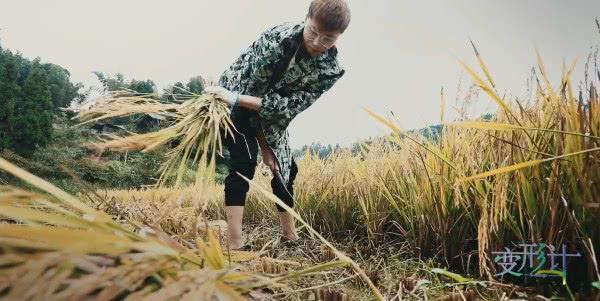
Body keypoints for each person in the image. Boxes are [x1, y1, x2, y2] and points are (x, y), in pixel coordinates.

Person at [205, 0, 350, 250]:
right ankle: (235, 243)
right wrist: (264, 146)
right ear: (306, 18)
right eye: (313, 32)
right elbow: (252, 91)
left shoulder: (331, 70)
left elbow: (290, 106)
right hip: (233, 99)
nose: (317, 42)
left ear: (339, 37)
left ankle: (289, 235)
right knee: (245, 162)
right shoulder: (277, 39)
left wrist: (272, 149)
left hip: (270, 114)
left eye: (328, 39)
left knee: (284, 170)